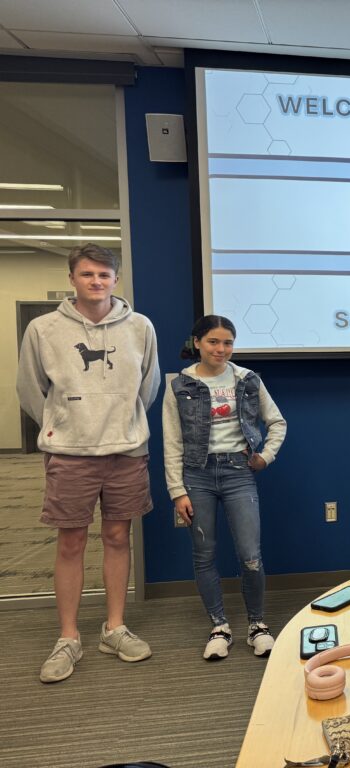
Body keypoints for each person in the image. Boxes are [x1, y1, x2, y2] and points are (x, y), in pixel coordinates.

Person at [17, 243, 160, 684]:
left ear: (116, 280)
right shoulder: (44, 329)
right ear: (72, 279)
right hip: (71, 454)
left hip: (125, 451)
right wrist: (64, 426)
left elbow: (148, 387)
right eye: (87, 274)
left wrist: (124, 425)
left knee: (118, 536)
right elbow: (30, 390)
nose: (96, 282)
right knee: (70, 543)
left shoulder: (140, 327)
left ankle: (113, 628)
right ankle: (67, 637)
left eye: (103, 275)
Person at [163, 315, 286, 660]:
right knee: (204, 555)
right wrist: (177, 491)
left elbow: (277, 422)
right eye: (214, 342)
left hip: (238, 473)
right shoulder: (180, 384)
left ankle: (257, 625)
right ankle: (219, 626)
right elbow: (172, 441)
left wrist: (266, 456)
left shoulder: (248, 380)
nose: (221, 349)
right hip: (196, 476)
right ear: (197, 343)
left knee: (250, 555)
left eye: (228, 342)